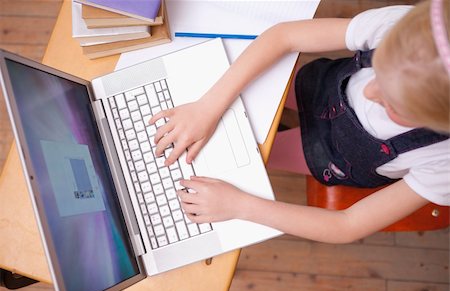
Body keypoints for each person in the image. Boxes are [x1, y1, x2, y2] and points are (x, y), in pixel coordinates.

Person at [149, 0, 450, 243]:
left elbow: (347, 225)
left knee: (242, 151)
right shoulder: (409, 30)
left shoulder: (443, 162)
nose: (370, 91)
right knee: (228, 115)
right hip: (319, 87)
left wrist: (241, 206)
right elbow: (284, 36)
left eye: (390, 102)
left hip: (332, 157)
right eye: (377, 69)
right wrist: (208, 106)